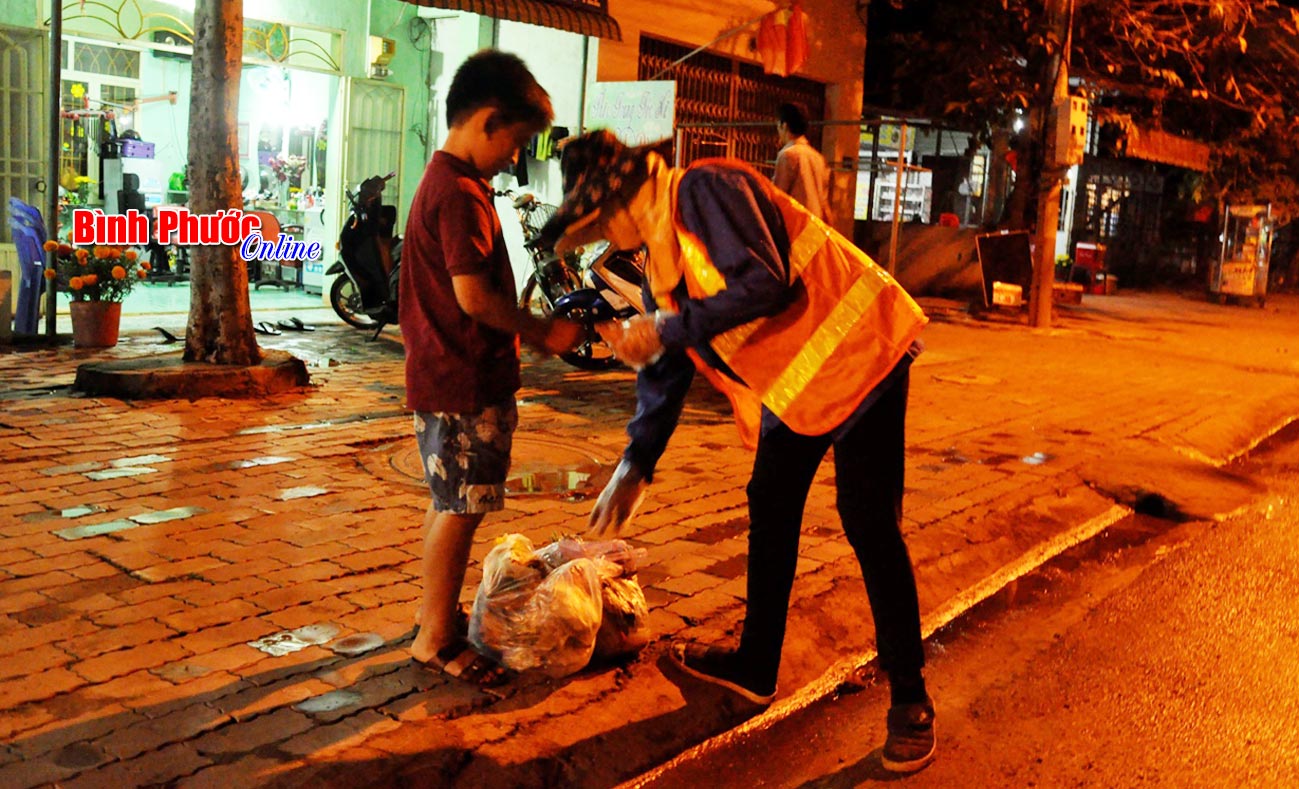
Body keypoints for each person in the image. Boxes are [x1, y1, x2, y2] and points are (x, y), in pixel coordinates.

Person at [537, 130, 937, 773]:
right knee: (770, 503)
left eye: (600, 224)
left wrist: (666, 328)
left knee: (867, 521)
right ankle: (756, 665)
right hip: (801, 385)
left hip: (865, 351)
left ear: (622, 200)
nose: (605, 239)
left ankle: (911, 699)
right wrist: (634, 466)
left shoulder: (706, 188)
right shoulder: (661, 268)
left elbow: (765, 280)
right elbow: (667, 367)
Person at [402, 50, 583, 686]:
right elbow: (474, 297)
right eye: (517, 142)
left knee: (450, 504)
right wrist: (543, 331)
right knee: (462, 509)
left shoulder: (447, 182)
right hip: (464, 380)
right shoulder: (459, 194)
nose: (515, 158)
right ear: (488, 120)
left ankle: (432, 614)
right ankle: (434, 638)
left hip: (446, 376)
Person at [773, 102, 831, 222]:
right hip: (815, 225)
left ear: (784, 126)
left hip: (796, 224)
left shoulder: (788, 155)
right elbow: (824, 202)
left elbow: (778, 196)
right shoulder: (818, 158)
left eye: (778, 125)